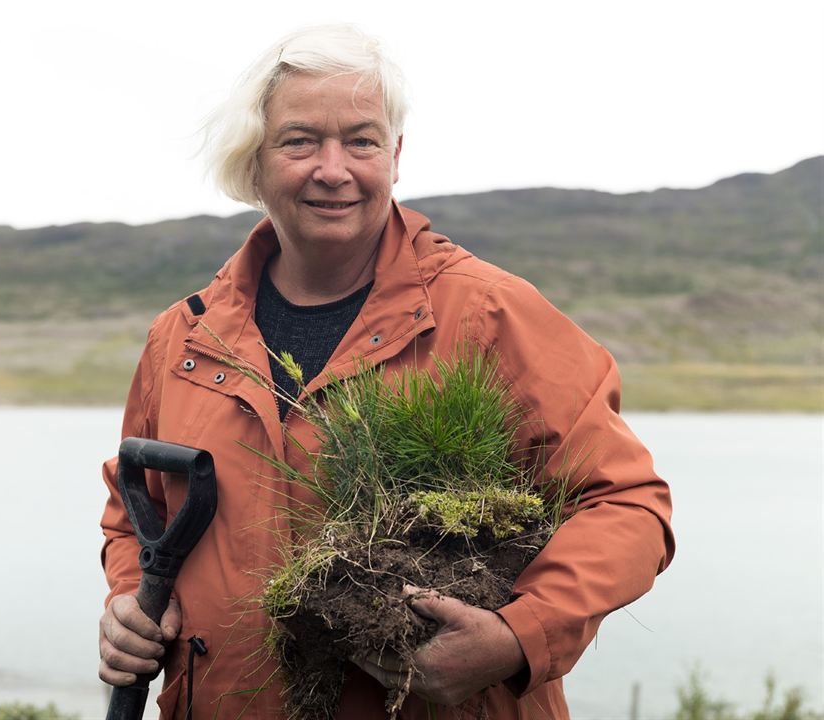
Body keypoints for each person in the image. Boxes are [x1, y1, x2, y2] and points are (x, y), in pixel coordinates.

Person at [99, 24, 674, 720]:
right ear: (255, 162)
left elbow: (627, 506)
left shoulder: (490, 313)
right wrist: (132, 601)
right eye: (299, 140)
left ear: (395, 156)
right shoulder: (183, 337)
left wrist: (515, 636)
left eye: (361, 140)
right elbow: (136, 517)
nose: (333, 168)